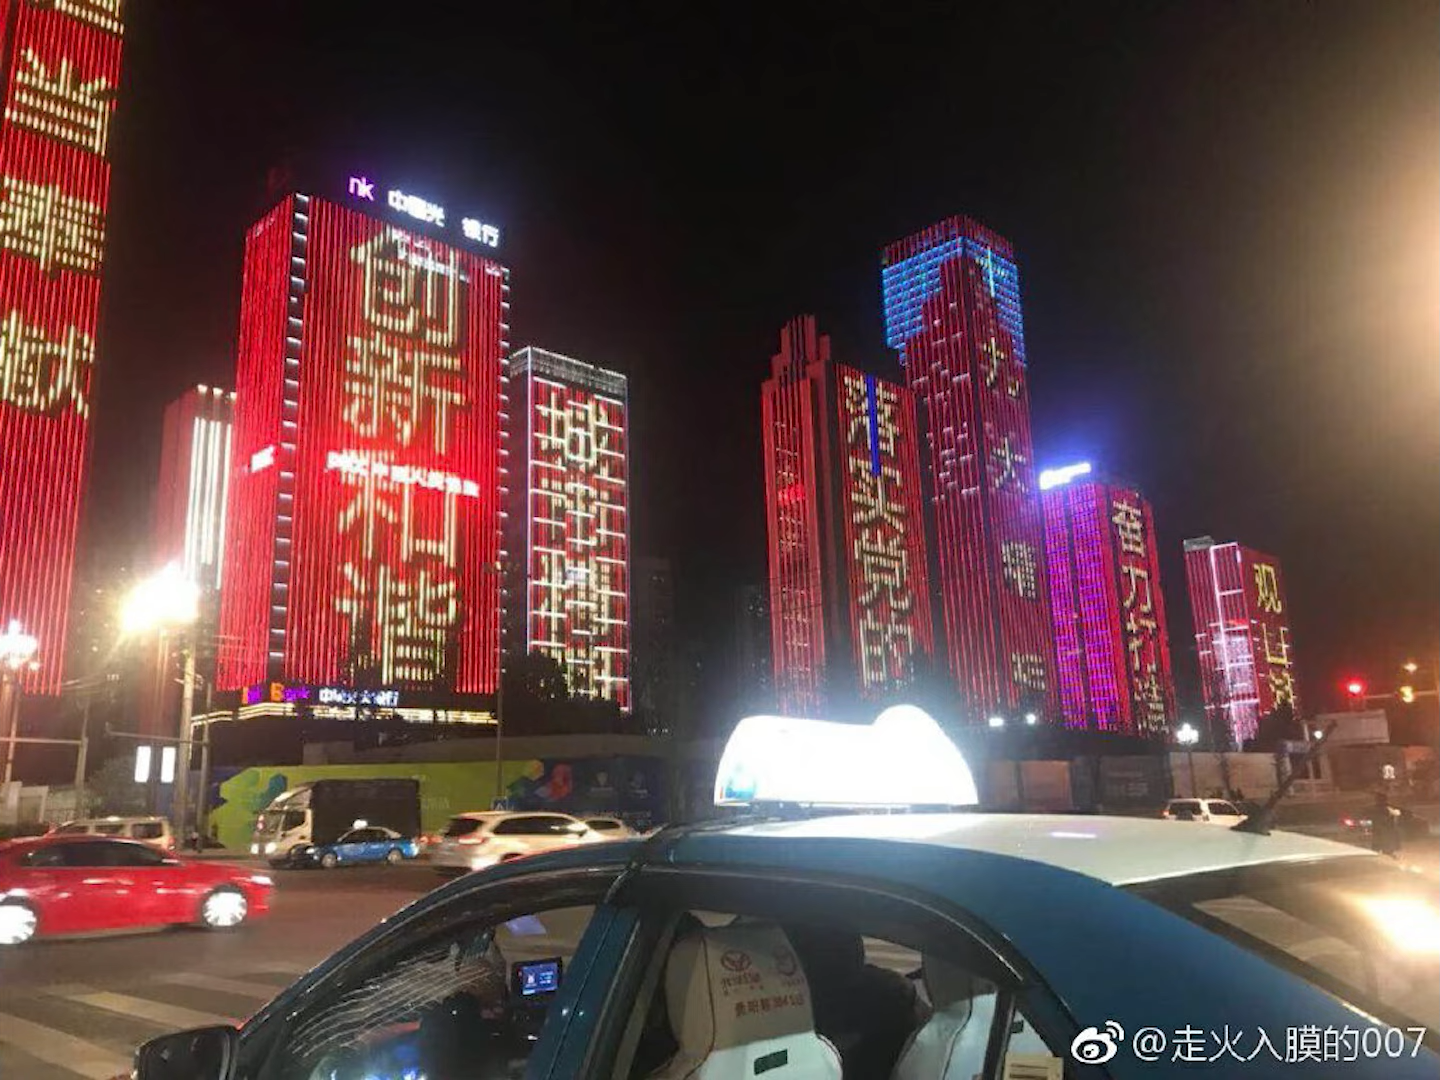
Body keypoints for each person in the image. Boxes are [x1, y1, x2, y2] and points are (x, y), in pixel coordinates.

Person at [1371, 791, 1401, 857]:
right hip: (1384, 834)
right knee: (1385, 852)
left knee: (1381, 852)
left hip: (1383, 833)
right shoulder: (1389, 808)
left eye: (1377, 799)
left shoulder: (1385, 808)